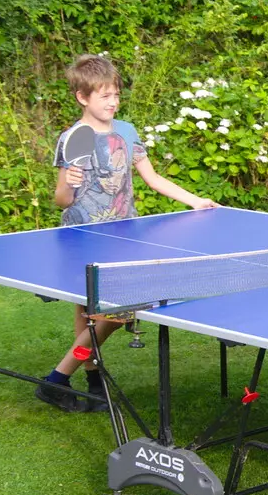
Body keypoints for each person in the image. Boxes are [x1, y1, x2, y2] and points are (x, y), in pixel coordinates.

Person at [35, 54, 216, 413]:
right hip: (82, 235)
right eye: (104, 96)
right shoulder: (72, 137)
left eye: (116, 94)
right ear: (82, 98)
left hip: (123, 231)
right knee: (113, 315)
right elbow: (60, 200)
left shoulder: (127, 132)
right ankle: (57, 380)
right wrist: (67, 185)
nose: (113, 102)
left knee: (97, 315)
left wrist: (195, 201)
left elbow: (152, 177)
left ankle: (90, 379)